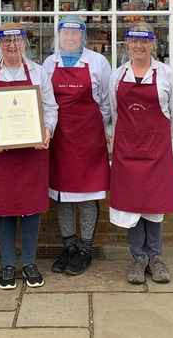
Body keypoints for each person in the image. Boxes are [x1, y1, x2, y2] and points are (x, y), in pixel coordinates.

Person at [0, 23, 58, 290]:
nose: (11, 45)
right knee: (3, 209)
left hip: (32, 153)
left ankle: (29, 262)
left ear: (24, 43)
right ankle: (8, 263)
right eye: (6, 41)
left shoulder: (39, 73)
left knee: (31, 209)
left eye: (16, 40)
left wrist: (47, 131)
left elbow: (51, 108)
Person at [109, 22, 173, 285]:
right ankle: (138, 258)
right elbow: (115, 113)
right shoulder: (117, 75)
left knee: (154, 205)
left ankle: (155, 257)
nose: (138, 46)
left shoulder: (166, 75)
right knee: (132, 205)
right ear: (127, 44)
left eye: (144, 40)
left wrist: (160, 142)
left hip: (156, 151)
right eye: (133, 40)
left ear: (152, 43)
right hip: (127, 150)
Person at [42, 15, 111, 276]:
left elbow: (106, 102)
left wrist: (95, 128)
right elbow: (45, 100)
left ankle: (85, 249)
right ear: (58, 37)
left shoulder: (98, 63)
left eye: (75, 33)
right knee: (62, 197)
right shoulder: (49, 63)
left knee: (86, 196)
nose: (70, 38)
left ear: (83, 36)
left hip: (88, 140)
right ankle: (68, 246)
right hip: (59, 139)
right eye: (65, 34)